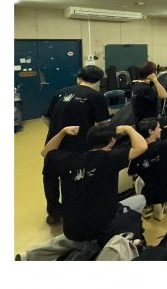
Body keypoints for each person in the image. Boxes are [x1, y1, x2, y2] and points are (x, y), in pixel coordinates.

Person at [17, 122, 148, 261]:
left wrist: (63, 131)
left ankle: (28, 256)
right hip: (100, 228)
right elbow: (142, 146)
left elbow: (46, 153)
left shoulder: (69, 159)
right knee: (140, 200)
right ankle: (92, 248)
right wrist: (128, 128)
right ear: (112, 140)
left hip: (71, 227)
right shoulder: (111, 158)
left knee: (72, 238)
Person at [41, 65, 110, 225]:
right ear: (97, 81)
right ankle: (72, 212)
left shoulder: (60, 92)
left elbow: (45, 117)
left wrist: (58, 130)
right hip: (78, 146)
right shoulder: (96, 96)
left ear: (79, 77)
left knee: (50, 177)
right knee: (73, 178)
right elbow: (103, 124)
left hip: (53, 144)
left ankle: (53, 213)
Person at [128, 116, 167, 220]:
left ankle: (156, 204)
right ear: (150, 131)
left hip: (150, 194)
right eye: (158, 127)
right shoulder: (165, 146)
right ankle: (166, 202)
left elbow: (131, 173)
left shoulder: (136, 154)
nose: (161, 129)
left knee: (142, 180)